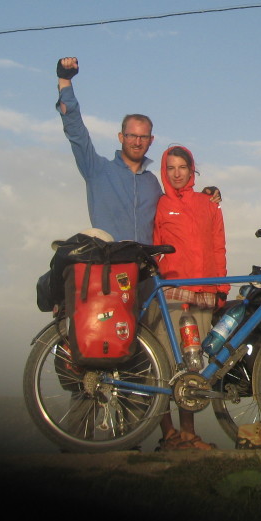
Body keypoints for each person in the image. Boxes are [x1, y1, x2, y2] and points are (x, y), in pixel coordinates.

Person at [55, 57, 220, 241]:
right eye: (131, 135)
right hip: (109, 264)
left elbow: (177, 207)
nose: (137, 142)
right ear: (120, 137)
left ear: (151, 140)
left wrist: (207, 196)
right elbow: (76, 131)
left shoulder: (153, 184)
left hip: (146, 267)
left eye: (143, 137)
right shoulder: (97, 170)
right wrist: (65, 81)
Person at [151, 144, 228, 451]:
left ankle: (188, 434)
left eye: (182, 167)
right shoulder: (160, 205)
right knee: (165, 366)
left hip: (204, 294)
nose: (177, 173)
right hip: (172, 294)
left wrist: (221, 287)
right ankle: (168, 434)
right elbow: (154, 247)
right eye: (170, 168)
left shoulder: (209, 202)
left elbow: (218, 246)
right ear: (164, 172)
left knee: (191, 367)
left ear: (192, 169)